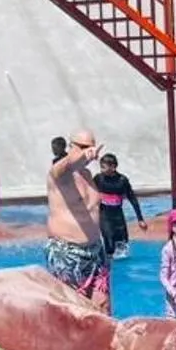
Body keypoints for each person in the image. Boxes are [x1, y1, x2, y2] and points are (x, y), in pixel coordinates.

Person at [44, 129, 111, 312]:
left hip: (95, 251)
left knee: (103, 308)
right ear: (71, 147)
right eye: (83, 147)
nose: (89, 152)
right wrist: (80, 157)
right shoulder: (59, 174)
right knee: (73, 312)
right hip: (67, 252)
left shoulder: (88, 176)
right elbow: (67, 165)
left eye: (91, 147)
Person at [91, 152, 146, 259]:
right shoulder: (98, 179)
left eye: (104, 167)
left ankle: (120, 267)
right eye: (101, 166)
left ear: (113, 166)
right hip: (104, 214)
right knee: (109, 241)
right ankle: (108, 264)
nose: (101, 169)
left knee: (123, 243)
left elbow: (132, 199)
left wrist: (140, 219)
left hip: (118, 215)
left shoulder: (122, 180)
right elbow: (88, 194)